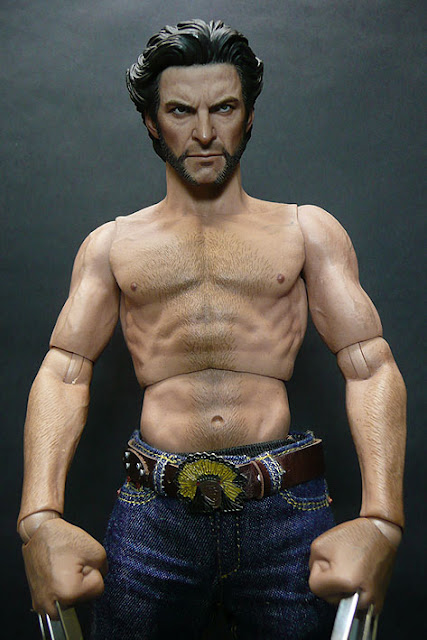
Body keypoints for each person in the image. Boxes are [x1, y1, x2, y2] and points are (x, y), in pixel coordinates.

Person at [18, 19, 406, 640]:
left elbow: (370, 367)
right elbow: (63, 373)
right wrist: (38, 518)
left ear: (249, 116)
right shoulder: (113, 245)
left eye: (224, 108)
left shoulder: (305, 232)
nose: (204, 132)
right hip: (155, 514)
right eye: (180, 111)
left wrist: (383, 519)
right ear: (152, 122)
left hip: (283, 509)